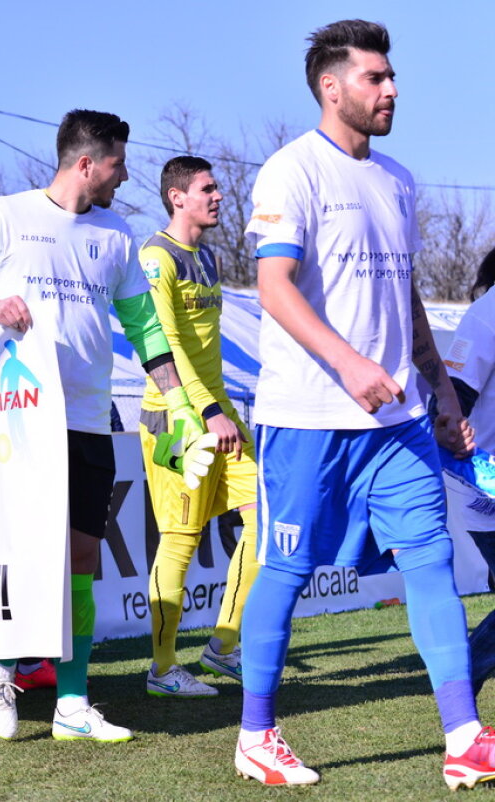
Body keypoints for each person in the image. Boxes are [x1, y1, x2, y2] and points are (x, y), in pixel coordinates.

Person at [239, 20, 494, 789]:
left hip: (400, 423)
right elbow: (273, 287)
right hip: (307, 418)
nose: (391, 89)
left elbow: (405, 295)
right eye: (375, 78)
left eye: (391, 77)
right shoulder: (291, 172)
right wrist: (348, 363)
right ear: (331, 86)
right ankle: (255, 734)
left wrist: (441, 389)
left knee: (433, 561)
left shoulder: (398, 180)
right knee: (285, 570)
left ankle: (464, 736)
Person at [0, 109, 215, 743]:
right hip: (19, 416)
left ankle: (71, 704)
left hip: (89, 420)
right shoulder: (5, 215)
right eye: (117, 163)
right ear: (86, 163)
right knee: (23, 555)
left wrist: (179, 406)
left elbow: (145, 330)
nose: (124, 176)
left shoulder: (117, 233)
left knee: (82, 560)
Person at [139, 157, 259, 698]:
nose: (218, 196)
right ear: (176, 196)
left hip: (220, 411)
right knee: (180, 542)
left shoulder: (207, 257)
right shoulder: (154, 255)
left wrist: (219, 407)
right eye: (207, 189)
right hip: (174, 418)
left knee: (267, 518)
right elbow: (165, 344)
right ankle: (162, 670)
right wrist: (204, 410)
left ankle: (223, 646)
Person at [443, 248, 495, 691]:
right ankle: (460, 694)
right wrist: (452, 428)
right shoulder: (488, 313)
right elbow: (453, 392)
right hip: (484, 479)